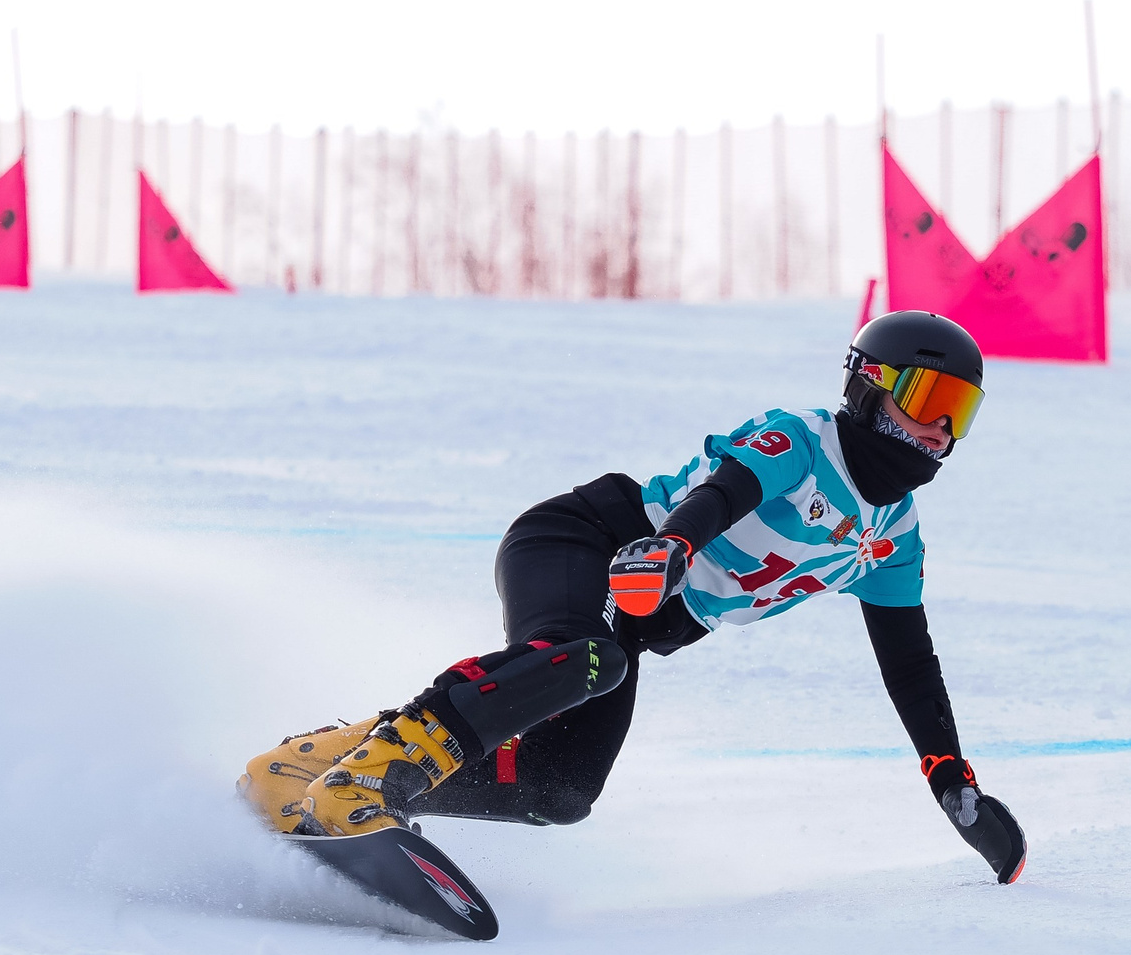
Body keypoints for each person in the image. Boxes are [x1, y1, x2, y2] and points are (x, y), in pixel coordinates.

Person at [239, 310, 1027, 884]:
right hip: (582, 539)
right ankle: (368, 782)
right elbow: (731, 489)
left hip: (629, 625)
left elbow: (910, 666)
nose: (937, 434)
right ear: (869, 387)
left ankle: (321, 765)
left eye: (958, 415)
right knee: (585, 656)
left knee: (562, 788)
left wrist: (951, 778)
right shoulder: (805, 438)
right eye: (927, 403)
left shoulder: (893, 537)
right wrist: (673, 545)